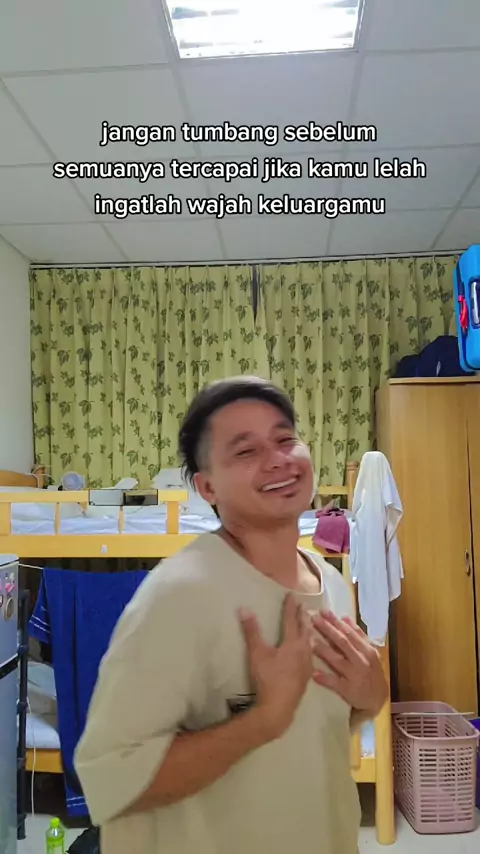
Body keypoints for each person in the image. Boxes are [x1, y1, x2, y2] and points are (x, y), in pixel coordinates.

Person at [75, 376, 388, 854]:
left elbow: (317, 733)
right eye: (246, 451)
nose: (278, 459)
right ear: (208, 487)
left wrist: (371, 697)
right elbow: (109, 777)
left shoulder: (332, 583)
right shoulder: (178, 595)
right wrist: (263, 719)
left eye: (285, 439)